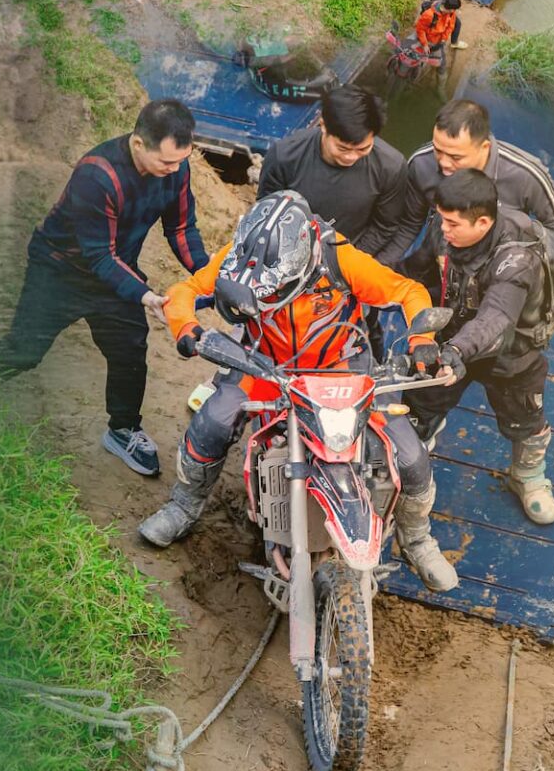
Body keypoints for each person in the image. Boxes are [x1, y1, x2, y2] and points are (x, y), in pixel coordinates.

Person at [139, 190, 459, 591]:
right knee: (213, 421)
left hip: (342, 366)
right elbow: (184, 291)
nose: (268, 297)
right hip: (266, 364)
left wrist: (421, 340)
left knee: (410, 454)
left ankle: (416, 538)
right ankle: (184, 505)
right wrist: (186, 328)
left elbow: (408, 292)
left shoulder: (341, 259)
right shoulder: (239, 259)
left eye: (276, 289)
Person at [0, 99, 209, 477]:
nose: (174, 170)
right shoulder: (97, 174)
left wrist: (207, 274)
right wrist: (146, 295)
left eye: (181, 161)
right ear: (138, 144)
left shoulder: (176, 171)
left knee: (129, 351)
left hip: (116, 271)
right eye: (166, 162)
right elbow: (99, 256)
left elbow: (180, 229)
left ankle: (123, 429)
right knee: (24, 352)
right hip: (60, 271)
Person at [397, 169, 554, 525]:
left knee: (526, 416)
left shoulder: (517, 259)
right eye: (441, 219)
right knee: (419, 402)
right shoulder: (445, 229)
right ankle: (412, 459)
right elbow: (416, 273)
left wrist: (457, 351)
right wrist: (423, 336)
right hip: (452, 335)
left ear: (483, 221)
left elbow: (496, 316)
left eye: (453, 224)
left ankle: (527, 476)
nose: (444, 230)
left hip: (508, 350)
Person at [365, 96, 554, 264]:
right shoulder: (420, 164)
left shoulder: (526, 174)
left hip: (501, 262)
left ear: (484, 148)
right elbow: (410, 223)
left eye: (456, 157)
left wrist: (526, 269)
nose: (443, 164)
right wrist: (378, 268)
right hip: (443, 257)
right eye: (438, 150)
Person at [257, 85, 403, 248]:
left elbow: (384, 227)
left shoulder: (390, 166)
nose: (351, 157)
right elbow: (267, 211)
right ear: (323, 125)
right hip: (290, 246)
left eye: (363, 149)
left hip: (349, 253)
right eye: (342, 148)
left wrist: (345, 260)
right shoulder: (284, 156)